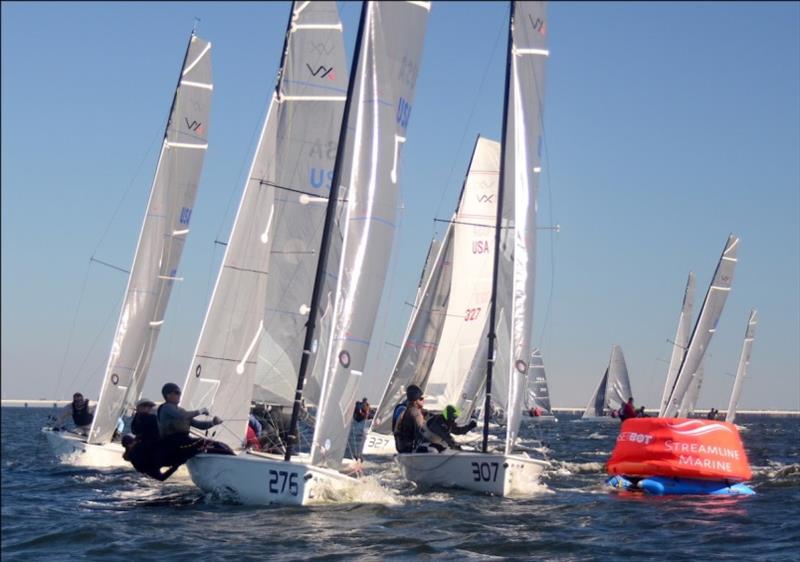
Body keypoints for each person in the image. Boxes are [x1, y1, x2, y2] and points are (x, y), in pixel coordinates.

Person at [157, 382, 227, 465]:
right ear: (167, 395)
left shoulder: (181, 410)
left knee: (218, 445)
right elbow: (181, 416)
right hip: (174, 444)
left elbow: (199, 425)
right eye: (176, 393)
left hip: (185, 441)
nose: (179, 395)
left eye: (180, 393)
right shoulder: (166, 408)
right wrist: (200, 411)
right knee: (210, 444)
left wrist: (213, 422)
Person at [392, 385, 440, 453]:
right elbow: (422, 431)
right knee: (437, 449)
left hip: (402, 449)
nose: (423, 400)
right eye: (421, 398)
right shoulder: (415, 412)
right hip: (410, 450)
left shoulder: (409, 410)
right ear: (415, 401)